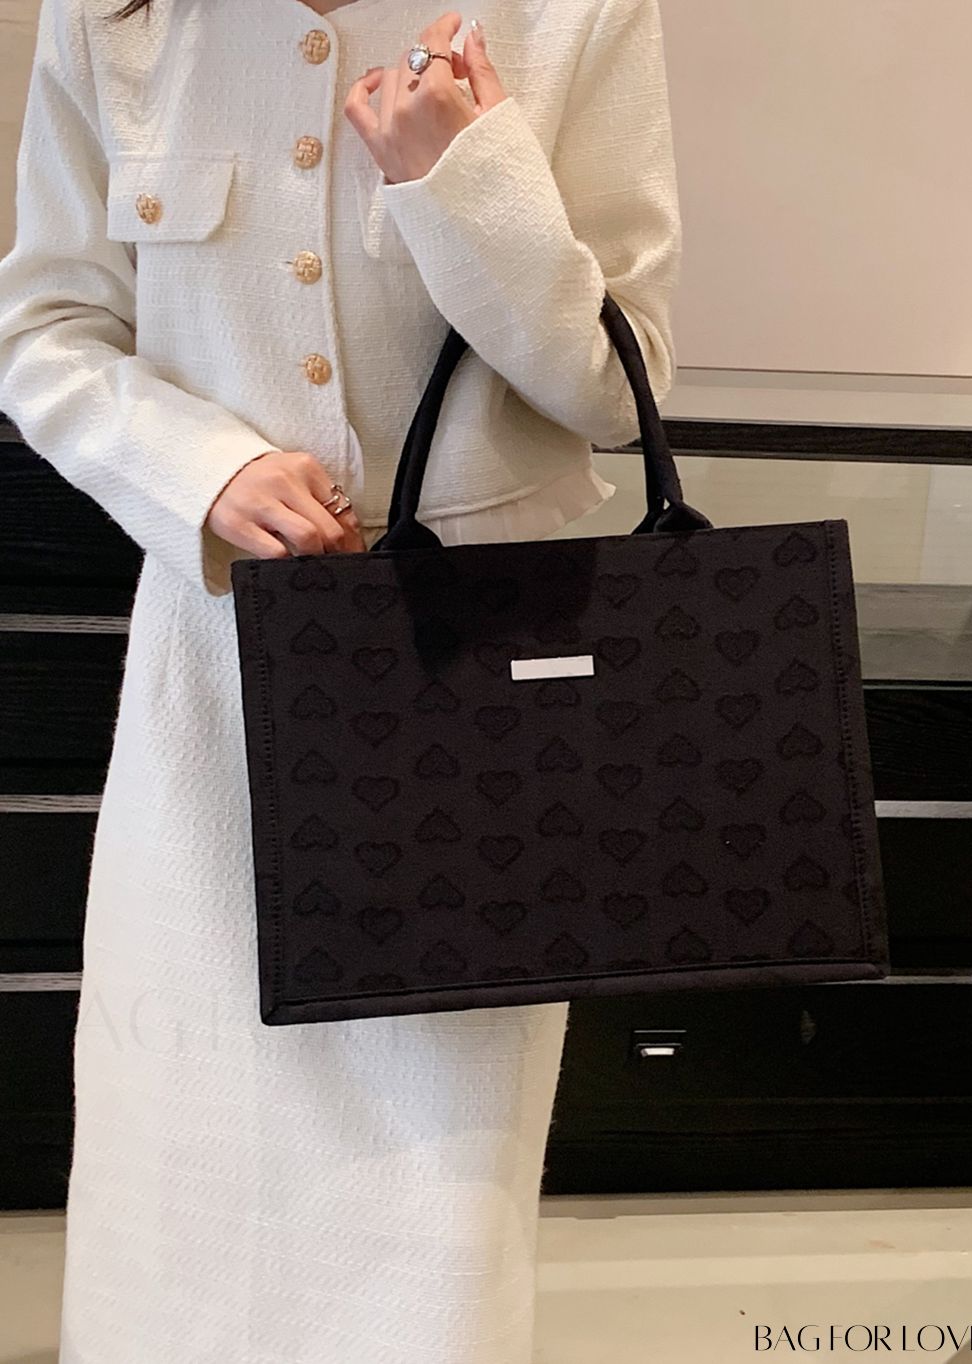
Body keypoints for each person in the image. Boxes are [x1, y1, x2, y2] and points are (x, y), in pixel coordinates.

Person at [0, 0, 682, 1356]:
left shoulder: (576, 15)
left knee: (436, 1205)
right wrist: (203, 470)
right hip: (216, 695)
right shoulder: (117, 20)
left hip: (474, 708)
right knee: (181, 1161)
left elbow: (624, 387)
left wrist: (465, 181)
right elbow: (48, 329)